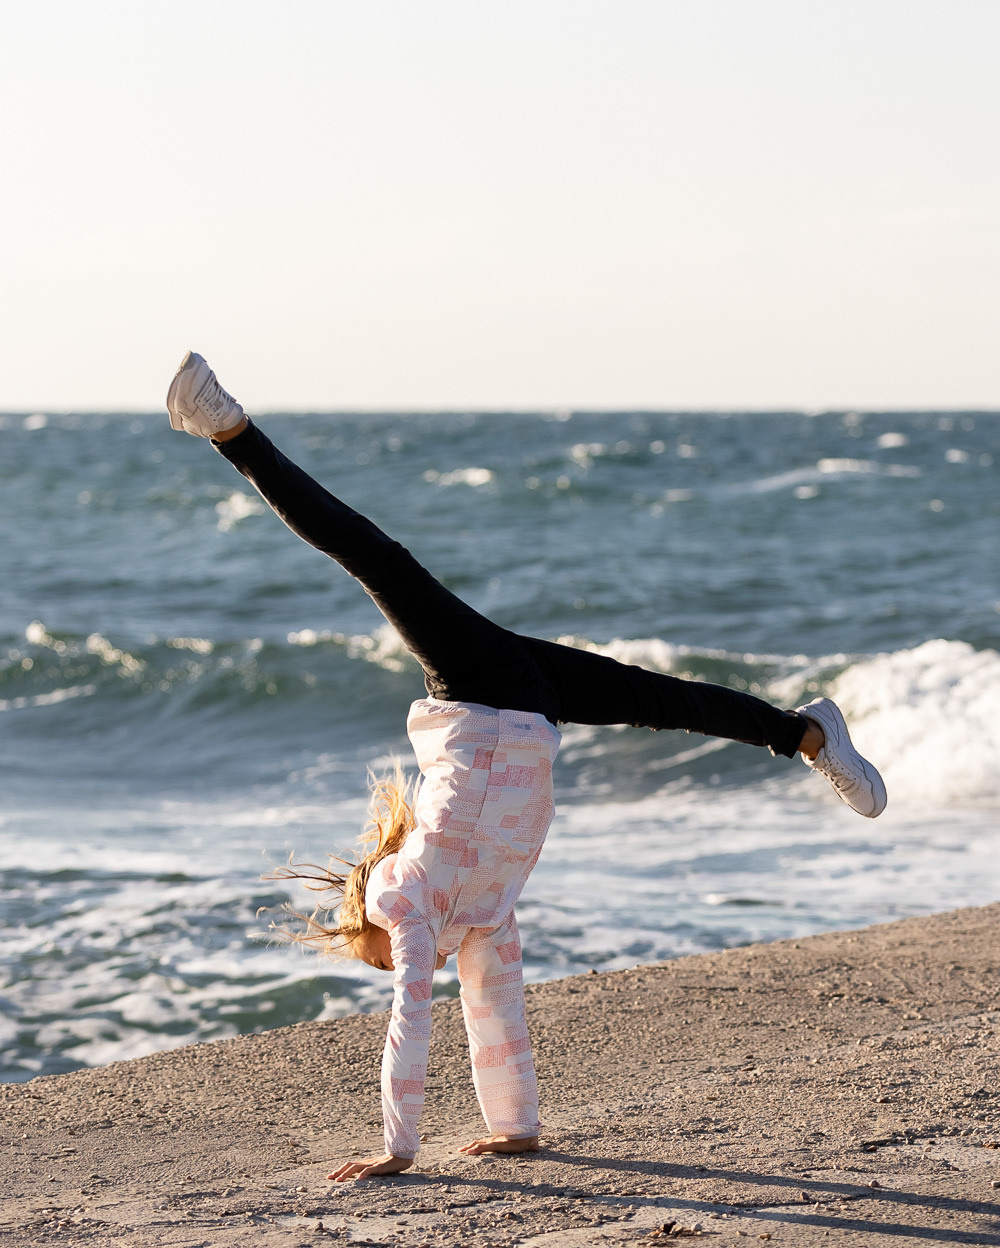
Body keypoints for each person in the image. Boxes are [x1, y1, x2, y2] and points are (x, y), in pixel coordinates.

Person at [166, 351, 887, 1182]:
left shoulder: (408, 897)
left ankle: (229, 428)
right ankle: (806, 734)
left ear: (370, 916)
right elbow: (495, 1010)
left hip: (475, 692)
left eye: (375, 955)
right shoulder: (479, 917)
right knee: (666, 700)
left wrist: (398, 1149)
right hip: (531, 707)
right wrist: (516, 1129)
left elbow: (412, 1016)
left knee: (377, 561)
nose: (408, 963)